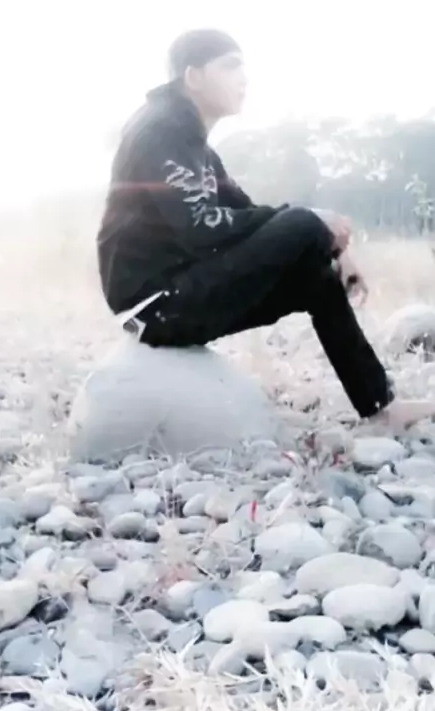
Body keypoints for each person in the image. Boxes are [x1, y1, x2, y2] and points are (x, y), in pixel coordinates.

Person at [97, 28, 435, 430]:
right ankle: (379, 404)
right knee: (303, 222)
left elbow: (248, 214)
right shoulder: (161, 130)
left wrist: (331, 246)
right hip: (155, 305)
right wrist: (314, 223)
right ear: (194, 76)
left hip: (180, 293)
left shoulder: (197, 147)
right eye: (231, 67)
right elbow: (201, 228)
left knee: (314, 274)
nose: (244, 78)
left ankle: (380, 407)